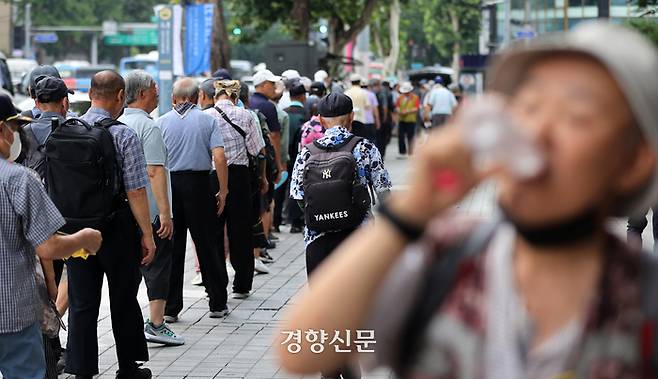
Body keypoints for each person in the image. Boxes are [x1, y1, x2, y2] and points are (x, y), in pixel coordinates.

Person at [277, 21, 658, 379]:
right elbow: (304, 348)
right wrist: (412, 212)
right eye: (527, 107)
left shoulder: (645, 305)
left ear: (636, 160)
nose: (535, 131)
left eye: (575, 116)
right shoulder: (443, 260)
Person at [289, 92, 392, 378]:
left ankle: (331, 369)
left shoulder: (307, 150)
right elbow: (384, 193)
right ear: (351, 117)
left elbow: (298, 195)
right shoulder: (365, 147)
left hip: (318, 241)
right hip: (357, 241)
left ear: (320, 119)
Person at [0, 93, 102, 379]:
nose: (16, 136)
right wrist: (85, 238)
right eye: (14, 129)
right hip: (12, 310)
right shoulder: (18, 179)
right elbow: (48, 246)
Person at [65, 70, 155, 378]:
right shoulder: (123, 134)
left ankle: (82, 369)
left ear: (90, 94)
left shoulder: (66, 130)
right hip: (116, 229)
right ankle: (128, 367)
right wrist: (147, 234)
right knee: (123, 298)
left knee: (82, 301)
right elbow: (136, 189)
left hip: (76, 231)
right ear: (120, 96)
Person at [118, 70, 184, 346]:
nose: (159, 92)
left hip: (123, 212)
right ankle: (156, 323)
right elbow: (155, 171)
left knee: (129, 270)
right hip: (151, 210)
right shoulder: (149, 127)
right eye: (155, 88)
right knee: (158, 264)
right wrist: (165, 214)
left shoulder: (116, 123)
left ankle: (127, 323)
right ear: (143, 93)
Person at [158, 77, 230, 321]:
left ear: (173, 99)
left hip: (171, 186)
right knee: (208, 245)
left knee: (172, 247)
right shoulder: (207, 120)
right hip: (200, 185)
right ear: (198, 96)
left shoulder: (161, 123)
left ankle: (170, 308)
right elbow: (219, 157)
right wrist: (223, 190)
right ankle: (217, 303)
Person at [206, 79, 266, 296]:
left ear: (216, 96)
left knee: (213, 233)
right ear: (236, 97)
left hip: (212, 176)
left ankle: (216, 285)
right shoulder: (246, 115)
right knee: (240, 232)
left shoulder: (207, 116)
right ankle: (242, 285)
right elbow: (257, 149)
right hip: (240, 177)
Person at [250, 69, 285, 183]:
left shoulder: (247, 102)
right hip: (266, 160)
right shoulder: (268, 106)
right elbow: (274, 136)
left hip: (250, 159)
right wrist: (279, 165)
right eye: (272, 84)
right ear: (264, 85)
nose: (275, 87)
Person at [284, 83, 310, 234]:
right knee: (301, 185)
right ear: (302, 96)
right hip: (301, 156)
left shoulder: (283, 112)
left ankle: (287, 220)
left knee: (286, 187)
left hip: (285, 155)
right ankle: (300, 219)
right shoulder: (306, 114)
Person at [344, 74, 373, 141]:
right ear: (359, 82)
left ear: (351, 82)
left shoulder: (346, 92)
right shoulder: (364, 93)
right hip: (361, 120)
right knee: (360, 140)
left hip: (349, 121)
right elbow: (367, 106)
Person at [395, 82, 420, 157]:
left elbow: (416, 108)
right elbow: (397, 107)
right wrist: (399, 111)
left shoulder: (415, 98)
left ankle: (411, 151)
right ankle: (402, 152)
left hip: (411, 119)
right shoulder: (400, 98)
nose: (405, 94)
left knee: (411, 136)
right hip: (401, 119)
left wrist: (408, 111)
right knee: (401, 136)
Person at [372, 78, 394, 158]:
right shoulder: (386, 92)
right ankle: (381, 154)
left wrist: (384, 117)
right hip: (384, 117)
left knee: (379, 136)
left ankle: (379, 154)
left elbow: (385, 106)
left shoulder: (379, 93)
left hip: (380, 117)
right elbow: (387, 107)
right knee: (383, 137)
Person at [361, 79, 380, 143]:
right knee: (372, 140)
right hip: (369, 121)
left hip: (359, 121)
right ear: (368, 86)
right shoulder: (371, 95)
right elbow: (375, 109)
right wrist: (377, 121)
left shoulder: (357, 94)